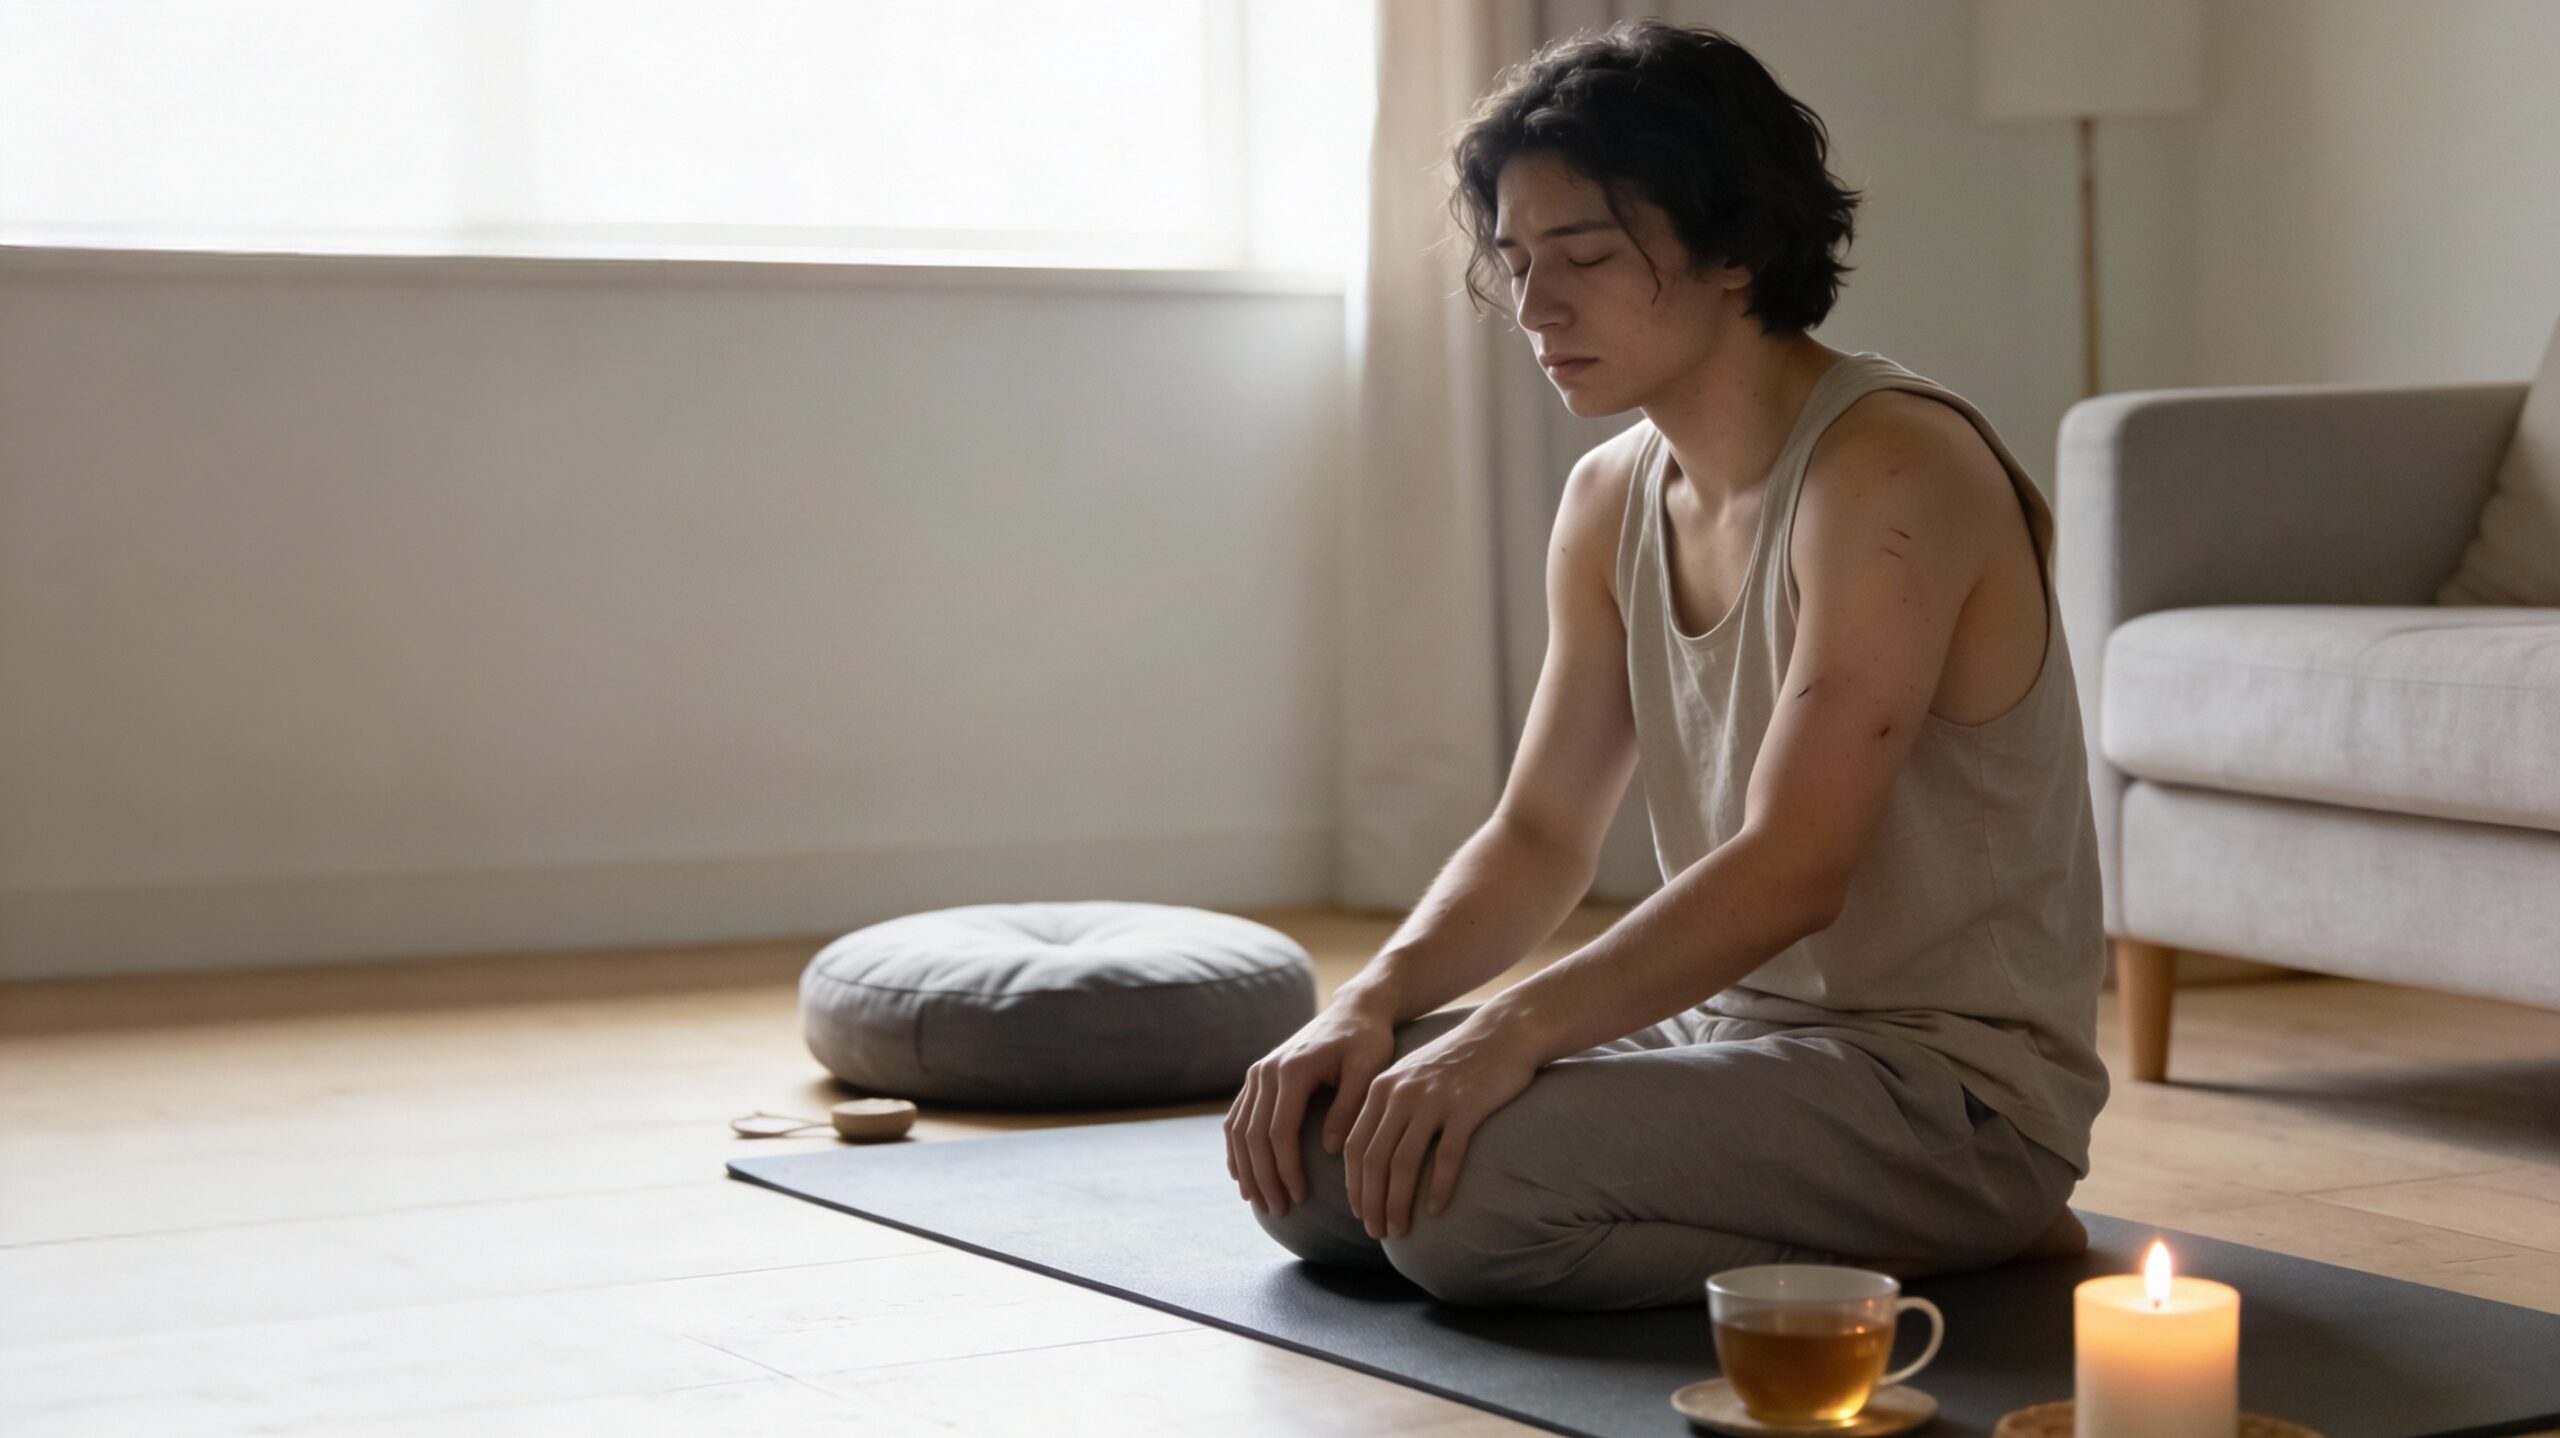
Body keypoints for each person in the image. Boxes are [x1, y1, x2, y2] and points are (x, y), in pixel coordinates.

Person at [1224, 17, 2108, 1311]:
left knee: (1457, 1210)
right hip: (1732, 1034)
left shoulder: (1891, 470)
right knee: (1320, 1151)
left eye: (1582, 255)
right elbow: (1537, 832)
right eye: (1517, 261)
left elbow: (1795, 868)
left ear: (1736, 246)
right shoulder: (1609, 495)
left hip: (1945, 1088)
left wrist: (1513, 1033)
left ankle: (1977, 1219)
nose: (1533, 306)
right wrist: (1371, 1004)